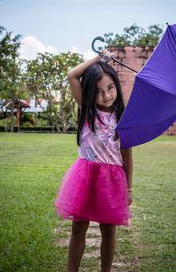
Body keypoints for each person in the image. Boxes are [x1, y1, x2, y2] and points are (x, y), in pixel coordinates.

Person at [54, 50, 133, 272]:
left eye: (110, 88)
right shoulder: (87, 109)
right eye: (98, 91)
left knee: (108, 229)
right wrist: (99, 59)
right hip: (86, 176)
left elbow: (127, 153)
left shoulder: (123, 119)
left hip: (112, 179)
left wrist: (129, 187)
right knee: (79, 226)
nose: (106, 95)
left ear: (116, 85)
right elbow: (72, 75)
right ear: (90, 93)